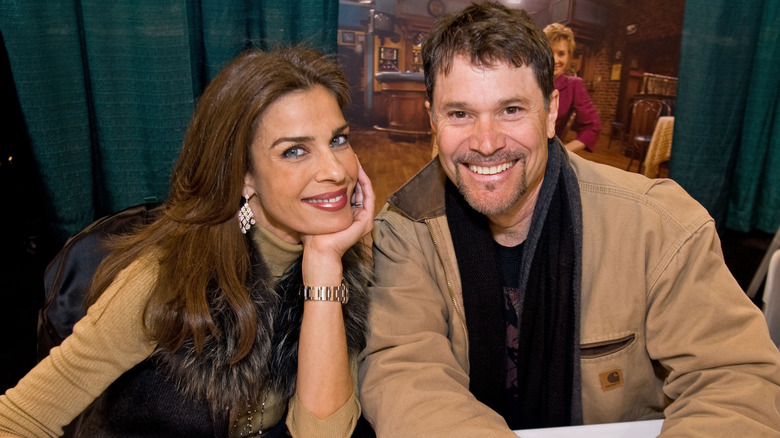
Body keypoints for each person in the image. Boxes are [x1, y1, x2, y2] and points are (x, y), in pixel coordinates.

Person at [358, 2, 780, 437]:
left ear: (552, 111)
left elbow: (736, 380)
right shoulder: (406, 230)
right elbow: (403, 372)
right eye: (460, 113)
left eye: (511, 110)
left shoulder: (659, 225)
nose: (485, 143)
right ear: (433, 119)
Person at [0, 46, 375, 437]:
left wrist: (325, 265)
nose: (335, 170)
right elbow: (20, 418)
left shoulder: (345, 258)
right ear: (243, 176)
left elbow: (324, 433)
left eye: (338, 140)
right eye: (294, 151)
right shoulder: (163, 277)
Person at [543, 22, 601, 152]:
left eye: (561, 53)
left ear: (569, 56)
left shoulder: (574, 85)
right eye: (550, 52)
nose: (555, 59)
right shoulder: (529, 80)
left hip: (546, 156)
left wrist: (563, 152)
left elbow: (592, 128)